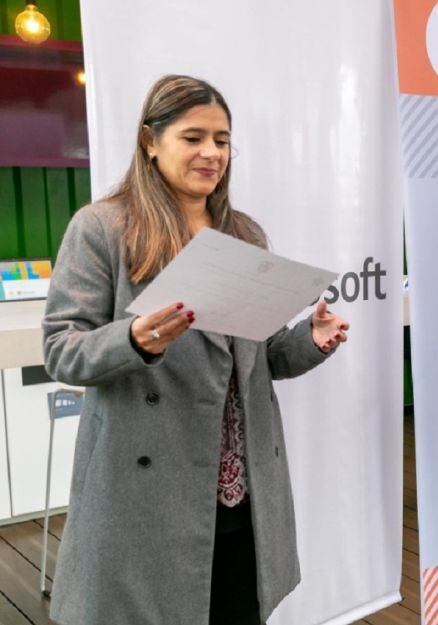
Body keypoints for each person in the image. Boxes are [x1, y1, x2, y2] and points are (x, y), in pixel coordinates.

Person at [42, 75, 349, 625]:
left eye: (222, 140)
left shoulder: (244, 234)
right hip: (150, 497)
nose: (212, 153)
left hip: (242, 493)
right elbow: (62, 350)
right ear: (150, 141)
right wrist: (134, 340)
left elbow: (261, 357)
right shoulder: (103, 228)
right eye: (193, 137)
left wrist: (309, 340)